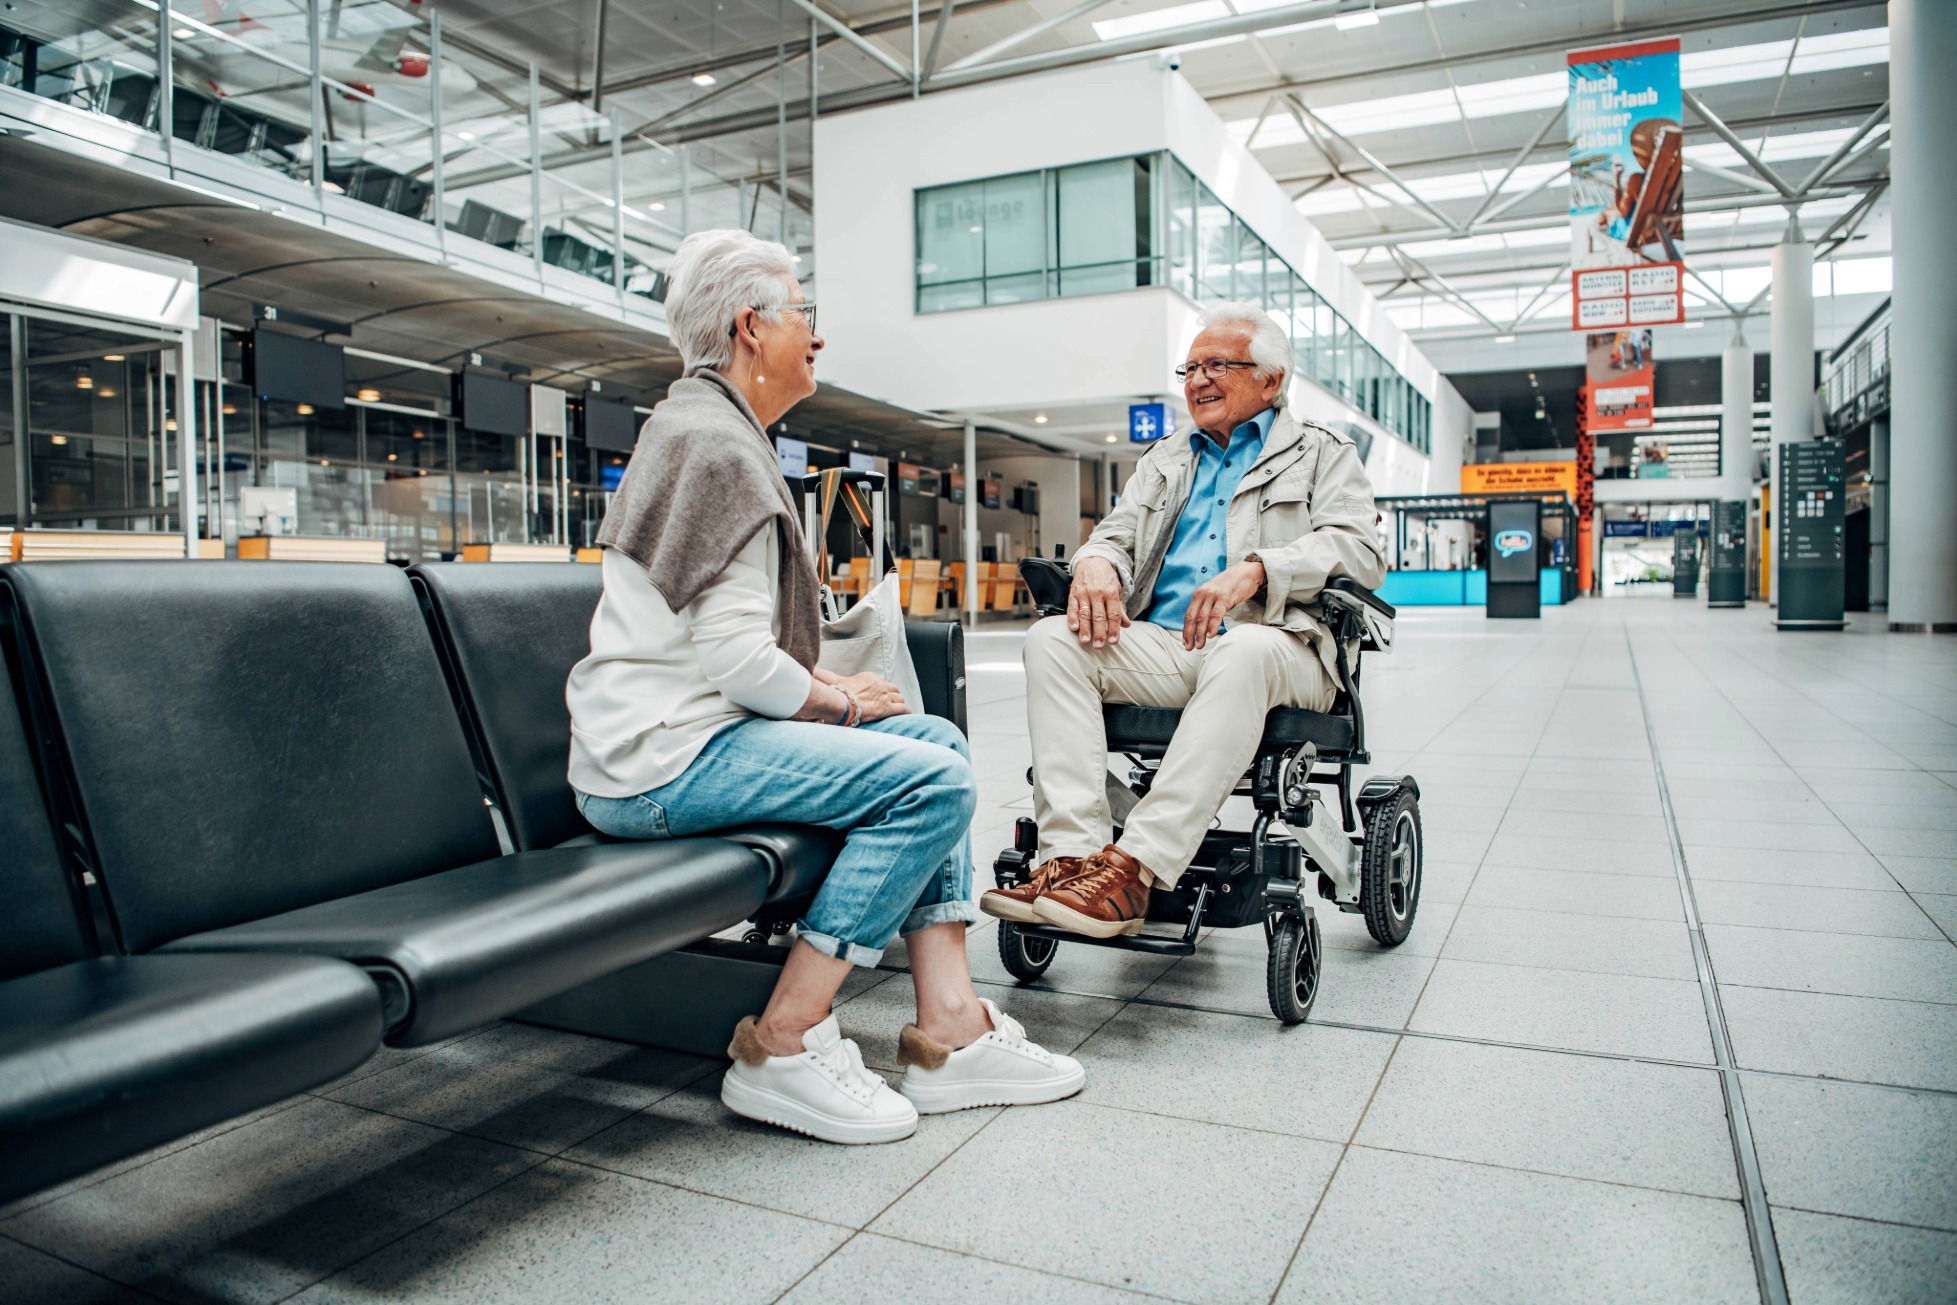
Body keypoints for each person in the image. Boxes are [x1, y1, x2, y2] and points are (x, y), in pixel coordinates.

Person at [569, 229, 1081, 1146]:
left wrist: (825, 686)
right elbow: (730, 658)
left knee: (935, 743)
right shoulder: (716, 445)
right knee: (927, 777)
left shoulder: (701, 426)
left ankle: (952, 1028)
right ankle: (782, 1040)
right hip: (657, 765)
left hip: (679, 736)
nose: (815, 333)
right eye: (804, 311)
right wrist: (836, 699)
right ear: (748, 327)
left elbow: (710, 645)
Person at [983, 302, 1384, 937]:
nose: (1197, 380)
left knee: (1243, 648)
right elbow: (1115, 534)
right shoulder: (1167, 458)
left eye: (1217, 365)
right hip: (1171, 646)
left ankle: (1134, 870)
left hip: (1286, 648)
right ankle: (1072, 862)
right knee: (1053, 638)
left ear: (1271, 380)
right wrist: (1095, 564)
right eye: (1190, 367)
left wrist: (1259, 568)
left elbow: (1361, 551)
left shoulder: (1321, 454)